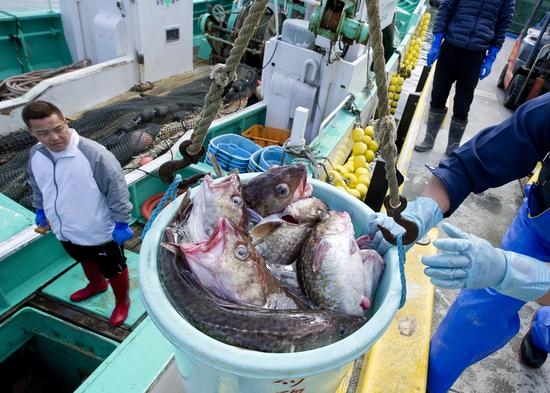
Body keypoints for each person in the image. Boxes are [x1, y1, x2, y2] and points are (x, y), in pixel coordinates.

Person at [369, 92, 550, 392]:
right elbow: (473, 162)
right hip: (540, 227)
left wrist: (506, 271)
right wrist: (424, 211)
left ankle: (543, 331)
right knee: (472, 317)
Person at [23, 100, 134, 327]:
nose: (54, 138)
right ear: (31, 133)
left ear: (66, 121)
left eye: (58, 129)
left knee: (115, 267)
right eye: (43, 133)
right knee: (82, 257)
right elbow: (37, 184)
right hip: (65, 229)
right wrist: (40, 209)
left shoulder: (94, 155)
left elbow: (117, 191)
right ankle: (96, 285)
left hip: (100, 231)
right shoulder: (36, 154)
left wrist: (122, 223)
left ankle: (122, 301)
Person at [414, 0, 515, 155]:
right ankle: (429, 138)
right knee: (438, 93)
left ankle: (453, 146)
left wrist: (491, 57)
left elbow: (503, 24)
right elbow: (446, 8)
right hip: (451, 47)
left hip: (476, 54)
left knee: (463, 102)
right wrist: (436, 41)